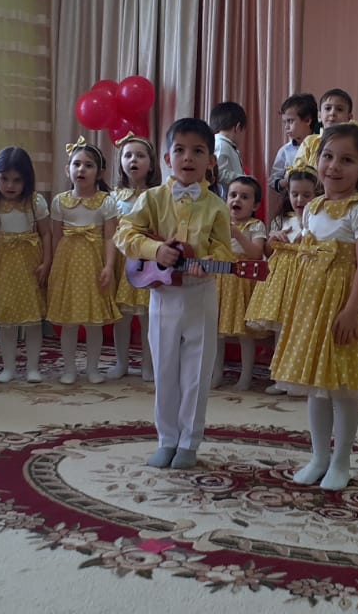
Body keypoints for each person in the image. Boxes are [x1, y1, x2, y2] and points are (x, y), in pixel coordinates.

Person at [268, 122, 358, 490]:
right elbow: (309, 249)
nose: (334, 166)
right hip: (312, 305)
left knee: (341, 389)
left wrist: (353, 309)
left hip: (343, 303)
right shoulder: (312, 208)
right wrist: (285, 242)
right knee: (316, 387)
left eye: (347, 160)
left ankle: (341, 461)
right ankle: (318, 457)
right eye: (328, 156)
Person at [115, 118, 233, 470]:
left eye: (198, 151)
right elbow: (124, 234)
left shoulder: (217, 206)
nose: (188, 158)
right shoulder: (152, 199)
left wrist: (208, 262)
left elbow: (224, 251)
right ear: (167, 159)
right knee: (165, 367)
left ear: (211, 160)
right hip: (163, 295)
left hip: (200, 294)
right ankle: (167, 439)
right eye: (179, 150)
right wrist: (155, 250)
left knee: (197, 371)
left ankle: (189, 442)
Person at [46, 136, 121, 384]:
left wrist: (108, 266)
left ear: (99, 173)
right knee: (68, 321)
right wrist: (54, 267)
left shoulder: (106, 202)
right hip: (67, 265)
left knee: (93, 322)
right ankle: (69, 368)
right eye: (76, 164)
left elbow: (110, 237)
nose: (81, 169)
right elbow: (55, 237)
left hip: (93, 266)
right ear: (67, 169)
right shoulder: (60, 201)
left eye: (88, 165)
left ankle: (92, 369)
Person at [0, 147, 51, 383]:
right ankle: (8, 367)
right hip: (2, 266)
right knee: (6, 321)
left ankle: (32, 367)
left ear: (27, 180)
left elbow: (46, 234)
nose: (10, 185)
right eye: (4, 178)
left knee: (33, 320)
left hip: (30, 264)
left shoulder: (35, 202)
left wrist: (47, 262)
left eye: (17, 180)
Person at [247, 166, 317, 394]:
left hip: (305, 280)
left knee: (301, 329)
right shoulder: (281, 220)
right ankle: (279, 376)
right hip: (280, 282)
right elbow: (268, 252)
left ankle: (301, 378)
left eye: (306, 195)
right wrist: (272, 241)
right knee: (281, 328)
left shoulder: (317, 220)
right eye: (295, 194)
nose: (300, 200)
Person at [111, 134, 160, 381]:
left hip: (146, 262)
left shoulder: (157, 196)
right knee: (122, 316)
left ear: (150, 164)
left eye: (140, 156)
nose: (133, 160)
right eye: (128, 155)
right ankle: (121, 362)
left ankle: (148, 365)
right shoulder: (113, 197)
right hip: (121, 263)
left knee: (148, 316)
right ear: (121, 162)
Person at [214, 175, 267, 391]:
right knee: (216, 331)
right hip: (220, 280)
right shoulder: (219, 223)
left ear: (255, 206)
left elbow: (256, 253)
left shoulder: (256, 225)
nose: (237, 200)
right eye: (233, 195)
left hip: (244, 283)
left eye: (244, 197)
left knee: (245, 332)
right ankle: (216, 373)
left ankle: (246, 375)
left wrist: (237, 234)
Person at [268, 93, 317, 200]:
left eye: (290, 121)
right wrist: (285, 182)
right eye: (284, 122)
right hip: (292, 203)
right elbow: (273, 180)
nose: (286, 127)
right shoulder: (285, 151)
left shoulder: (320, 147)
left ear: (307, 120)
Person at [291, 88, 354, 170]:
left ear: (349, 118)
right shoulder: (310, 142)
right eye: (328, 108)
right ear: (319, 116)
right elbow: (297, 170)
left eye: (339, 109)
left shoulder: (353, 144)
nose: (332, 113)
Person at [209, 101, 247, 192]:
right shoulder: (221, 145)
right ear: (237, 127)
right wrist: (244, 179)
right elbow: (218, 173)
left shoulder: (227, 145)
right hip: (223, 198)